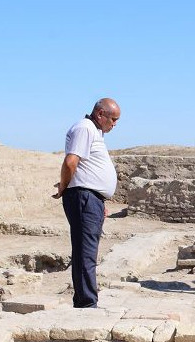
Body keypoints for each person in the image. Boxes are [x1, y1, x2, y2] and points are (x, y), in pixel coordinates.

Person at [53, 98, 121, 308]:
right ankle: (86, 304)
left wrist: (98, 200)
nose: (114, 124)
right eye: (113, 119)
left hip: (89, 198)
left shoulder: (92, 130)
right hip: (83, 197)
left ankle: (86, 300)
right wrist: (64, 187)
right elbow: (71, 162)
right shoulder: (85, 129)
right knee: (85, 253)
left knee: (88, 251)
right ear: (100, 114)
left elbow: (86, 169)